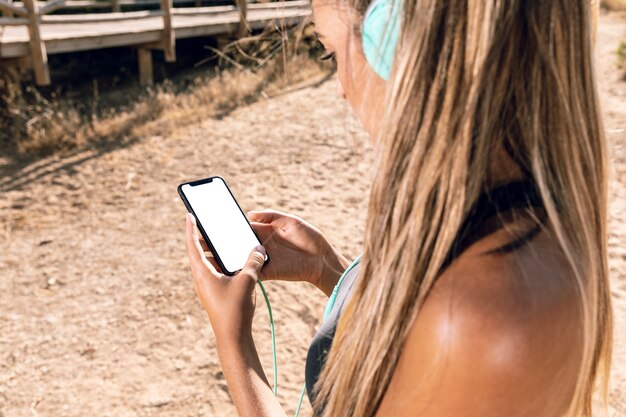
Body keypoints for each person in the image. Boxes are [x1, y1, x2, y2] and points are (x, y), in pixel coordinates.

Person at [183, 0, 613, 416]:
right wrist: (329, 271)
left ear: (394, 39)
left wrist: (232, 339)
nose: (342, 90)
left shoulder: (477, 316)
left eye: (331, 52)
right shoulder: (502, 221)